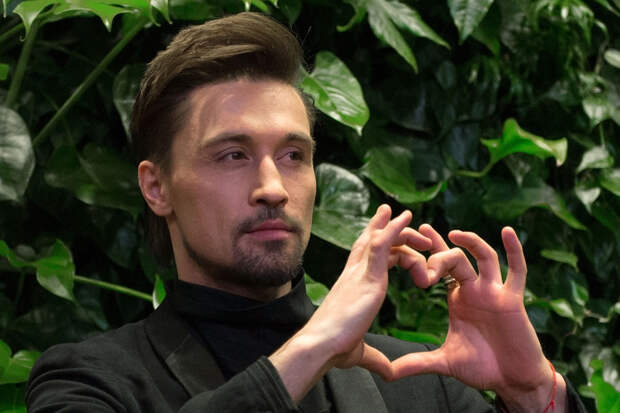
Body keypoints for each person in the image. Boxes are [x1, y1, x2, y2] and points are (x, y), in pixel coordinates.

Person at [26, 12, 587, 413]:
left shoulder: (419, 383)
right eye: (233, 155)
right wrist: (314, 345)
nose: (273, 187)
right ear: (157, 187)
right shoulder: (93, 381)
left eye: (293, 155)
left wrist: (534, 392)